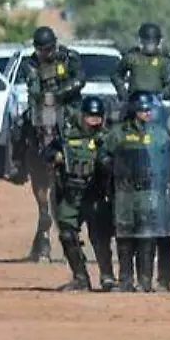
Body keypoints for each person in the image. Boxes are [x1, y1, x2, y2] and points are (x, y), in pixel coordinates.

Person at [14, 26, 86, 262]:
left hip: (69, 106)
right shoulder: (30, 64)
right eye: (44, 50)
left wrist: (62, 92)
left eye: (51, 48)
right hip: (44, 109)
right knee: (21, 125)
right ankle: (17, 164)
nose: (49, 53)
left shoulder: (70, 56)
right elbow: (34, 89)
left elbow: (80, 79)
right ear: (37, 49)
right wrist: (47, 100)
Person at [101, 92, 170, 293]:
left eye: (149, 110)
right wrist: (115, 167)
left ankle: (145, 280)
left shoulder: (160, 134)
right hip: (125, 191)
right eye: (142, 110)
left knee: (147, 236)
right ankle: (125, 280)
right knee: (124, 237)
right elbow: (104, 155)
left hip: (149, 191)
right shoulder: (119, 133)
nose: (146, 114)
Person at [44, 95, 114, 291]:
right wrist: (56, 156)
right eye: (90, 117)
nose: (94, 121)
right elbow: (46, 153)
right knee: (67, 235)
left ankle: (107, 276)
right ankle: (80, 277)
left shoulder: (106, 137)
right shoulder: (68, 136)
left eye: (97, 117)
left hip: (95, 194)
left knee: (100, 236)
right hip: (69, 194)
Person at [111, 22, 170, 104]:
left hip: (155, 103)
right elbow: (116, 75)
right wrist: (123, 93)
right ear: (141, 40)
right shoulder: (132, 57)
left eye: (153, 41)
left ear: (158, 42)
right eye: (147, 41)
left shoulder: (164, 60)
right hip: (134, 102)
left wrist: (162, 95)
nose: (150, 45)